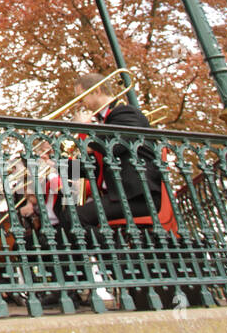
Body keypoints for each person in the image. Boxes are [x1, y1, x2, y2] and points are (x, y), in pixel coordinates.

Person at [62, 72, 162, 229]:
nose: (80, 104)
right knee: (68, 217)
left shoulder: (126, 112)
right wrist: (58, 162)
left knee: (75, 218)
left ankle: (113, 254)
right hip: (120, 196)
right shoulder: (103, 124)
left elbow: (115, 146)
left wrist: (85, 128)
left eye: (81, 98)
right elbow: (90, 170)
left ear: (97, 91)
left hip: (140, 196)